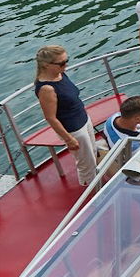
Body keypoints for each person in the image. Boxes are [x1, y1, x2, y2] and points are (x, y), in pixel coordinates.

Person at [34, 45, 98, 185]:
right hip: (74, 129)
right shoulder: (47, 89)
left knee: (92, 153)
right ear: (46, 65)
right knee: (87, 163)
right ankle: (94, 190)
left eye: (66, 60)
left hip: (83, 119)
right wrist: (68, 139)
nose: (66, 65)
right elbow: (50, 117)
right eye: (62, 63)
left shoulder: (60, 74)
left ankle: (91, 183)